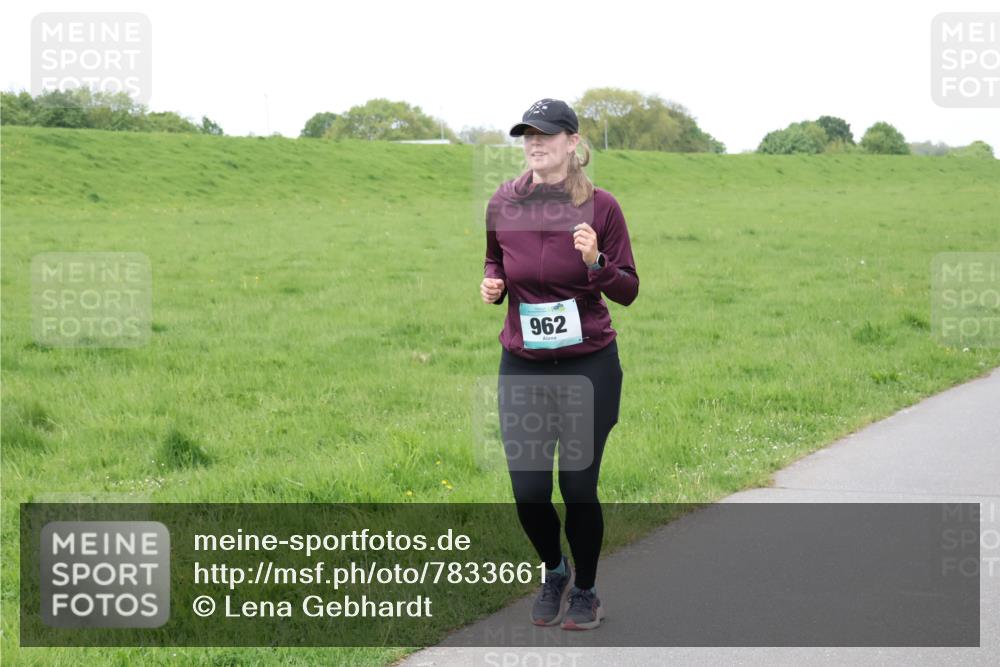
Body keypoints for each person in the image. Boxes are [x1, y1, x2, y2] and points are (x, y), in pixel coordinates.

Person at [480, 98, 639, 630]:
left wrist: (597, 261)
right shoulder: (504, 201)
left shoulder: (603, 207)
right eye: (527, 135)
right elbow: (494, 258)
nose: (534, 143)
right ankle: (554, 569)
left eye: (545, 134)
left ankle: (587, 591)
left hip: (587, 365)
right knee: (527, 492)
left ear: (573, 142)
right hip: (523, 363)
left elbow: (629, 290)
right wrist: (493, 284)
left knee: (576, 486)